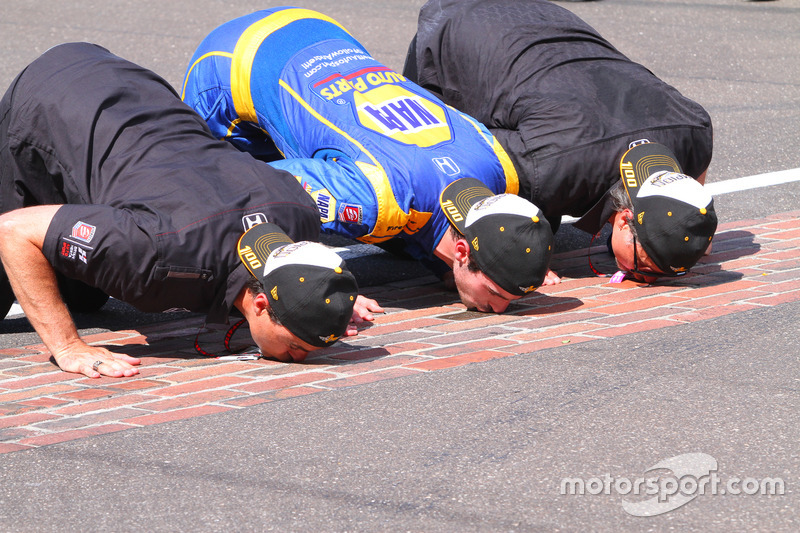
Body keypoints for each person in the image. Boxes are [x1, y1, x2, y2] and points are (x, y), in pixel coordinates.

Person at [0, 42, 378, 378]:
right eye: (297, 349)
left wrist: (327, 298)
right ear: (261, 303)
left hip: (133, 89)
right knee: (21, 269)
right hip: (53, 99)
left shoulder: (299, 217)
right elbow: (14, 231)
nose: (297, 359)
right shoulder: (156, 255)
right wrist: (67, 347)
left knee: (84, 296)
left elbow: (306, 271)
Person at [181, 7, 555, 314]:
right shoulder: (372, 201)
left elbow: (455, 221)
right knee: (215, 196)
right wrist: (312, 285)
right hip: (232, 60)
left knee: (405, 222)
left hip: (318, 30)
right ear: (462, 252)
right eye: (499, 293)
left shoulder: (499, 172)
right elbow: (256, 188)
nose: (502, 308)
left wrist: (517, 260)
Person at [403, 0, 718, 282]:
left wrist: (687, 234)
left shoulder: (691, 133)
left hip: (542, 17)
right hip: (459, 32)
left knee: (545, 210)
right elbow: (458, 155)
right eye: (644, 268)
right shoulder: (550, 166)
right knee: (421, 240)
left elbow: (700, 139)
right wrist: (506, 256)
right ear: (624, 220)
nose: (646, 280)